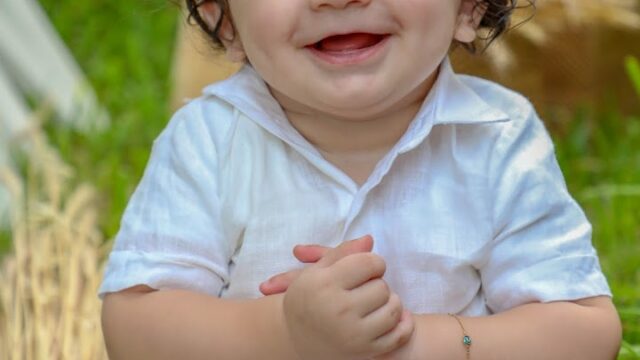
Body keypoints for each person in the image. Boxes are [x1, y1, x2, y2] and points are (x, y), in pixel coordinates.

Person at [100, 0, 622, 359]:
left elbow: (584, 332)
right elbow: (134, 329)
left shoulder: (498, 141)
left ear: (470, 6)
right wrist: (286, 333)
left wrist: (414, 344)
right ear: (224, 17)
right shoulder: (207, 142)